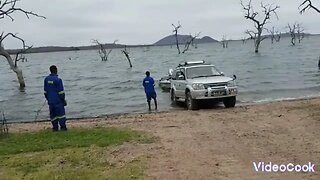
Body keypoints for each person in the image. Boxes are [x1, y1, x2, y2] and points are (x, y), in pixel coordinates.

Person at [44, 65, 67, 131]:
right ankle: (63, 127)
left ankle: (55, 127)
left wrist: (48, 99)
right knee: (61, 114)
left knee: (53, 115)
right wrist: (63, 100)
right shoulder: (58, 80)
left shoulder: (46, 79)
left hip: (51, 101)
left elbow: (45, 92)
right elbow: (61, 92)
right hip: (58, 101)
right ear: (56, 70)